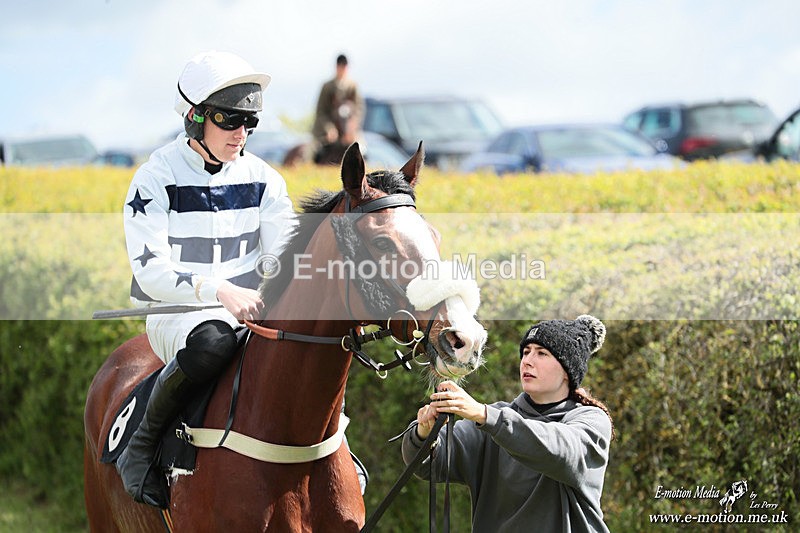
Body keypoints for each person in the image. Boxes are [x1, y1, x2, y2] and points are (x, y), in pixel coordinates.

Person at [116, 50, 296, 508]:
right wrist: (217, 290)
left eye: (249, 124)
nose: (242, 135)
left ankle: (333, 449)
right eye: (231, 121)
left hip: (249, 308)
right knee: (214, 341)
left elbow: (283, 254)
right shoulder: (154, 178)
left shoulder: (265, 179)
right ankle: (141, 445)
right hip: (178, 315)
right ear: (195, 119)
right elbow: (151, 270)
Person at [403, 315, 614, 533]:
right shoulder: (491, 420)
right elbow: (426, 465)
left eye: (542, 353)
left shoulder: (591, 420)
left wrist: (486, 416)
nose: (528, 361)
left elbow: (561, 451)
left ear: (567, 371)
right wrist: (423, 434)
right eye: (526, 352)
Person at [309, 53, 364, 163]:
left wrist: (351, 128)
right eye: (340, 66)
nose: (342, 69)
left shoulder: (353, 87)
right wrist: (329, 128)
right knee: (314, 151)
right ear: (336, 67)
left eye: (344, 67)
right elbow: (321, 111)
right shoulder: (327, 86)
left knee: (362, 149)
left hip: (348, 127)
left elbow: (358, 109)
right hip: (328, 129)